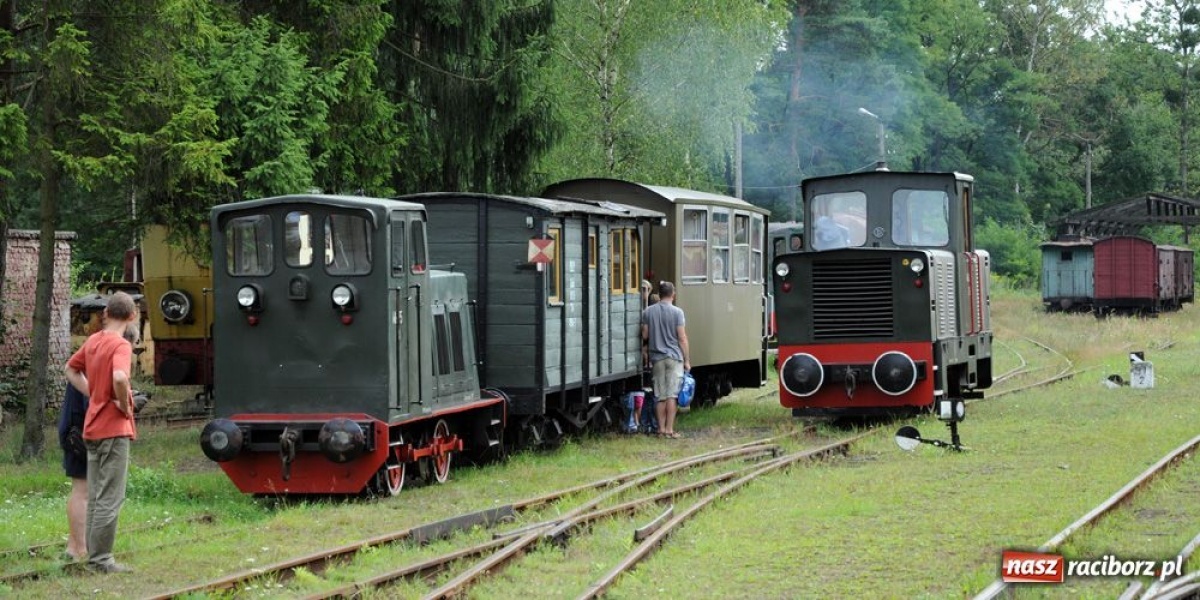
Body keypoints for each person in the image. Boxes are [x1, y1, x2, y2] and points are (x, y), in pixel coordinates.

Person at [64, 292, 139, 574]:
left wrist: (94, 394)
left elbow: (70, 369)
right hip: (112, 429)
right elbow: (120, 377)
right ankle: (102, 560)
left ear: (106, 313)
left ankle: (95, 555)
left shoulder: (94, 340)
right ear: (132, 316)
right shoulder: (120, 345)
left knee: (96, 494)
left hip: (92, 428)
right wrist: (121, 402)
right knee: (110, 496)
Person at [641, 281, 690, 439]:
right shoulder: (678, 312)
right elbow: (682, 338)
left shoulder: (648, 312)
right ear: (673, 295)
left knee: (660, 396)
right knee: (672, 395)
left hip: (657, 358)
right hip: (674, 358)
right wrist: (687, 360)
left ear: (659, 294)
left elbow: (645, 336)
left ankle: (660, 429)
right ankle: (669, 430)